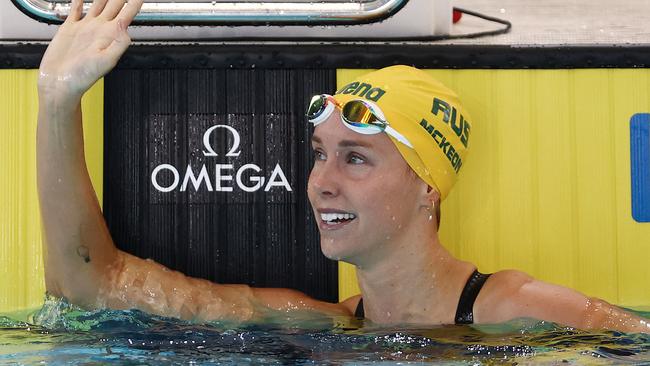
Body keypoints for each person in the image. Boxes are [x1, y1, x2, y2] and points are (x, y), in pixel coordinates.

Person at [37, 0, 649, 332]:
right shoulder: (320, 325)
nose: (321, 183)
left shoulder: (514, 308)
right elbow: (92, 286)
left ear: (427, 187)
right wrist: (57, 99)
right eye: (320, 154)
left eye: (356, 158)